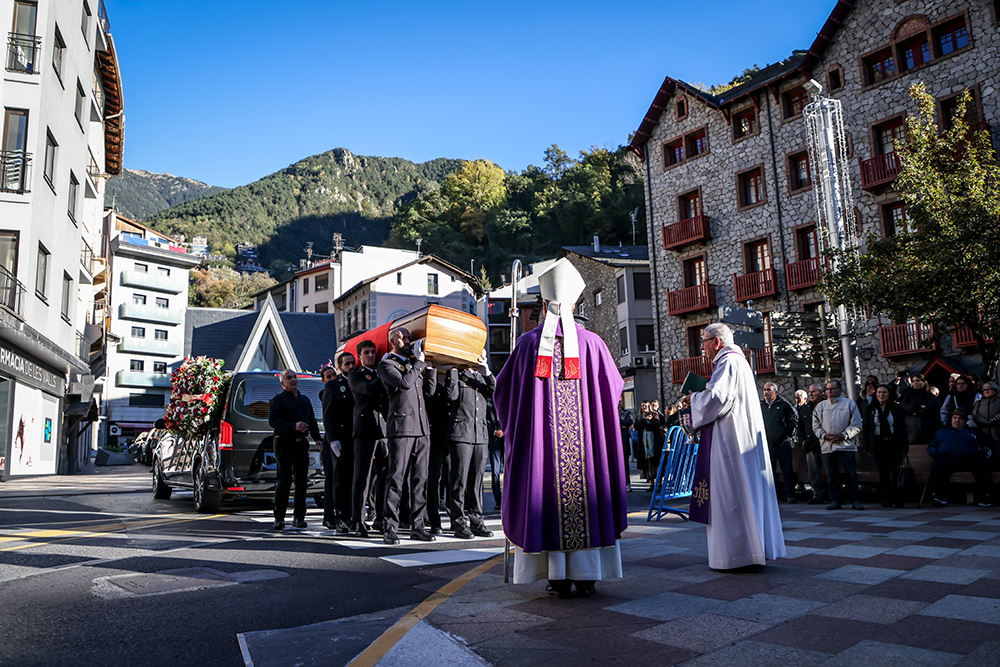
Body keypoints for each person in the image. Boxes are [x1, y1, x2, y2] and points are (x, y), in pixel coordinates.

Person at [494, 258, 628, 598]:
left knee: (546, 495)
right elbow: (613, 391)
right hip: (586, 454)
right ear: (574, 305)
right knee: (585, 499)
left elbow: (504, 394)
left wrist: (522, 428)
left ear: (543, 304)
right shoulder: (593, 345)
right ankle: (586, 577)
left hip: (544, 451)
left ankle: (555, 576)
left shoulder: (526, 346)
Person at [678, 323, 785, 572]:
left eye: (703, 341)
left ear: (716, 342)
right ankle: (751, 551)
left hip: (731, 444)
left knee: (731, 494)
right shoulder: (737, 361)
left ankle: (737, 556)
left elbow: (717, 398)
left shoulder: (727, 361)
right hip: (739, 438)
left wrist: (692, 398)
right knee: (746, 494)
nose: (701, 347)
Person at [379, 326, 437, 545]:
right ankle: (390, 527)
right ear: (394, 340)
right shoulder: (387, 364)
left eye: (410, 338)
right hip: (402, 428)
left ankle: (418, 526)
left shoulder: (414, 365)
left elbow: (429, 393)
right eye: (406, 338)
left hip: (422, 429)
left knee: (420, 480)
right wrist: (419, 363)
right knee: (396, 478)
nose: (409, 342)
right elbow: (403, 384)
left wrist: (429, 368)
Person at [444, 354, 496, 539]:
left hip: (480, 434)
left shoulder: (482, 377)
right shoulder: (457, 374)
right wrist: (454, 372)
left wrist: (487, 372)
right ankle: (458, 522)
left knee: (477, 482)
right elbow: (451, 396)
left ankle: (477, 521)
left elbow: (496, 392)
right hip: (461, 433)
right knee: (459, 480)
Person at [269, 369, 322, 531]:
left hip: (301, 444)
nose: (293, 380)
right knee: (284, 481)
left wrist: (318, 439)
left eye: (294, 377)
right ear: (282, 383)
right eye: (289, 378)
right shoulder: (278, 401)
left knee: (301, 482)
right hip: (284, 443)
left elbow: (312, 421)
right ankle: (279, 518)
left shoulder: (305, 400)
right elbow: (274, 421)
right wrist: (294, 426)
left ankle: (299, 517)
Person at [347, 339, 389, 538]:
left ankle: (380, 517)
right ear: (359, 356)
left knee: (384, 476)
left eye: (373, 352)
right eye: (367, 352)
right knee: (362, 477)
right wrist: (384, 371)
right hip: (365, 430)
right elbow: (369, 389)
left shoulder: (379, 373)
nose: (371, 355)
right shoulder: (355, 375)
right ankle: (358, 520)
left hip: (383, 430)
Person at [812, 379, 864, 511]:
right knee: (831, 475)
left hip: (846, 445)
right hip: (827, 447)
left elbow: (857, 425)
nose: (829, 391)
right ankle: (835, 499)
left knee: (851, 474)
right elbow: (816, 426)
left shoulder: (849, 404)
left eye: (832, 389)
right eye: (827, 389)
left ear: (839, 390)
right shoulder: (820, 407)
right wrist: (825, 435)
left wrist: (843, 435)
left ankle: (855, 500)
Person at [319, 354, 356, 532]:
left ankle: (355, 516)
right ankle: (341, 517)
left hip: (356, 437)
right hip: (339, 438)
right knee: (340, 479)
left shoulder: (359, 382)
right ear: (340, 367)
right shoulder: (333, 386)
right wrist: (333, 439)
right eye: (347, 364)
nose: (350, 366)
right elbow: (328, 415)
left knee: (356, 480)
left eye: (352, 363)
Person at [927, 409, 992, 506]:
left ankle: (984, 497)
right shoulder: (942, 432)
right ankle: (938, 497)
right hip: (948, 459)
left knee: (981, 467)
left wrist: (983, 453)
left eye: (960, 419)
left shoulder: (973, 432)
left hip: (969, 459)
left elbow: (985, 446)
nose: (957, 420)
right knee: (938, 466)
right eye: (955, 418)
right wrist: (936, 452)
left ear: (965, 421)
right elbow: (932, 446)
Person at [862, 384, 909, 508]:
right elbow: (867, 429)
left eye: (884, 393)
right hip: (879, 444)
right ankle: (886, 498)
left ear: (889, 394)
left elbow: (902, 428)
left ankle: (898, 498)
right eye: (879, 393)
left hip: (894, 443)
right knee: (883, 473)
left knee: (896, 472)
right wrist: (868, 446)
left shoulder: (896, 408)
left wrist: (905, 446)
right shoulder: (870, 409)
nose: (881, 395)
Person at [760, 382, 797, 503]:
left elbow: (792, 421)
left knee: (787, 470)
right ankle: (772, 495)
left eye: (769, 390)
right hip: (766, 444)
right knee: (768, 471)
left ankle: (789, 494)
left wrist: (788, 436)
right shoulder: (760, 406)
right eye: (765, 390)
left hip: (782, 443)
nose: (766, 392)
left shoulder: (784, 405)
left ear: (775, 391)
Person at [798, 383, 828, 504]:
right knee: (813, 472)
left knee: (830, 471)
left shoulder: (827, 406)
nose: (811, 394)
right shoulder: (805, 408)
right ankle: (817, 495)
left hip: (825, 443)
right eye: (810, 392)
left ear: (821, 393)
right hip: (810, 445)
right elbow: (800, 426)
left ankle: (832, 494)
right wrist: (802, 441)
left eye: (814, 392)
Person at [900, 374, 941, 445]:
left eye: (918, 380)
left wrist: (914, 412)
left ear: (923, 382)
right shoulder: (908, 395)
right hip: (912, 431)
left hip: (928, 431)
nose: (915, 383)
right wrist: (918, 406)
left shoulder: (930, 397)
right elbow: (904, 406)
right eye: (913, 381)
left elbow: (929, 409)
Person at [486, 398, 504, 510]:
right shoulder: (489, 405)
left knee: (508, 472)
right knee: (495, 473)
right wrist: (494, 432)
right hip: (494, 442)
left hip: (506, 442)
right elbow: (485, 423)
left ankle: (508, 499)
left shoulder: (508, 403)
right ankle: (498, 501)